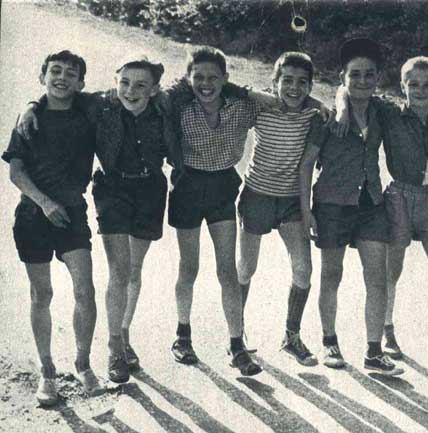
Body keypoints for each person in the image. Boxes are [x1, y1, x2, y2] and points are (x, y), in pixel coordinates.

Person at [16, 54, 179, 384]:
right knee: (120, 270)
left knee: (134, 269)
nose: (130, 91)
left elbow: (201, 83)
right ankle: (114, 347)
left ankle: (123, 333)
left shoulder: (164, 106)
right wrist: (31, 105)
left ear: (154, 89)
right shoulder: (102, 104)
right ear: (115, 82)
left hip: (150, 191)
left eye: (140, 85)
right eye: (124, 82)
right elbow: (61, 92)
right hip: (112, 190)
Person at [335, 56, 428, 369]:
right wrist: (342, 108)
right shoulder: (390, 112)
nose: (420, 90)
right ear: (403, 86)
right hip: (399, 198)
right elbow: (349, 90)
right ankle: (387, 331)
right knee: (392, 271)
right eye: (413, 84)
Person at [3, 50, 101, 405]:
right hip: (33, 216)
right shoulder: (28, 119)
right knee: (41, 294)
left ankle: (83, 363)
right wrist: (45, 203)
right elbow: (16, 172)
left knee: (85, 291)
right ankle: (47, 371)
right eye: (55, 71)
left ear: (81, 83)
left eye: (71, 74)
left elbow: (118, 96)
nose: (62, 78)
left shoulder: (88, 113)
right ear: (42, 76)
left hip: (73, 213)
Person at [299, 38, 403, 375]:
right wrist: (306, 211)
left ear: (378, 78)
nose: (362, 80)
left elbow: (416, 106)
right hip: (332, 203)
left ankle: (374, 352)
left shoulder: (381, 111)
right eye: (354, 74)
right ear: (342, 77)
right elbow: (306, 165)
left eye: (369, 74)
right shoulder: (328, 117)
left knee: (377, 277)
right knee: (332, 274)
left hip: (371, 202)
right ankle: (329, 341)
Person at [165, 46, 264, 376]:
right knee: (188, 266)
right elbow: (158, 95)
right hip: (188, 186)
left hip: (222, 186)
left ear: (226, 79)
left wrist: (321, 106)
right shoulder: (180, 108)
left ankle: (236, 345)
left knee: (227, 270)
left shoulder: (241, 107)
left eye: (213, 77)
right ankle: (182, 336)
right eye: (198, 77)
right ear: (188, 79)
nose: (205, 84)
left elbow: (279, 101)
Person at [237, 52, 320, 366]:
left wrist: (307, 209)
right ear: (274, 83)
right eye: (287, 80)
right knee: (246, 267)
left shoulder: (313, 114)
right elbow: (228, 94)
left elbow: (332, 108)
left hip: (291, 201)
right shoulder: (261, 106)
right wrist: (253, 94)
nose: (294, 88)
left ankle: (292, 336)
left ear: (310, 86)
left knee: (303, 269)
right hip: (257, 195)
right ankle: (236, 335)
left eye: (302, 82)